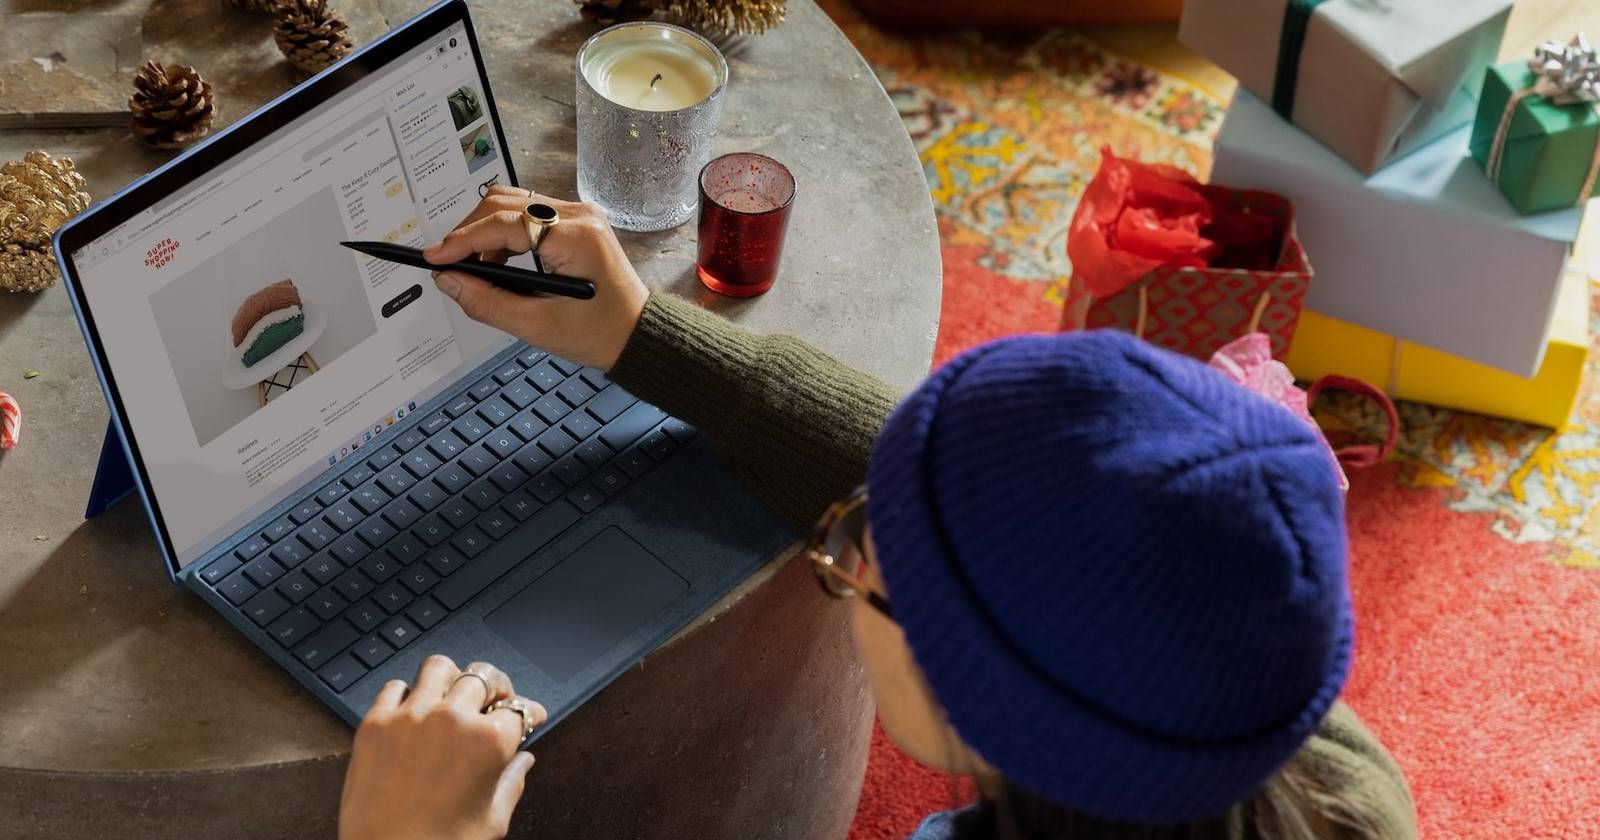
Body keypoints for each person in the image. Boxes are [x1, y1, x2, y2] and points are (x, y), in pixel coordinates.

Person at [337, 187, 1419, 840]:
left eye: (863, 548)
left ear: (972, 694)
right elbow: (1032, 515)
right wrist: (644, 333)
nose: (849, 552)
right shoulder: (1313, 762)